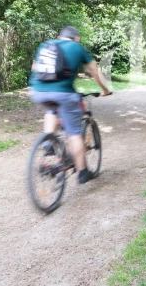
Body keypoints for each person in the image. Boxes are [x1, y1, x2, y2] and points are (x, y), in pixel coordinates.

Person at [30, 26, 112, 184]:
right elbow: (95, 72)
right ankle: (83, 172)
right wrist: (105, 90)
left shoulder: (46, 45)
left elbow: (35, 67)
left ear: (59, 37)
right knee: (74, 133)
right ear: (77, 38)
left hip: (38, 92)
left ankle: (49, 142)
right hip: (63, 94)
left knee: (51, 110)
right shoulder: (77, 47)